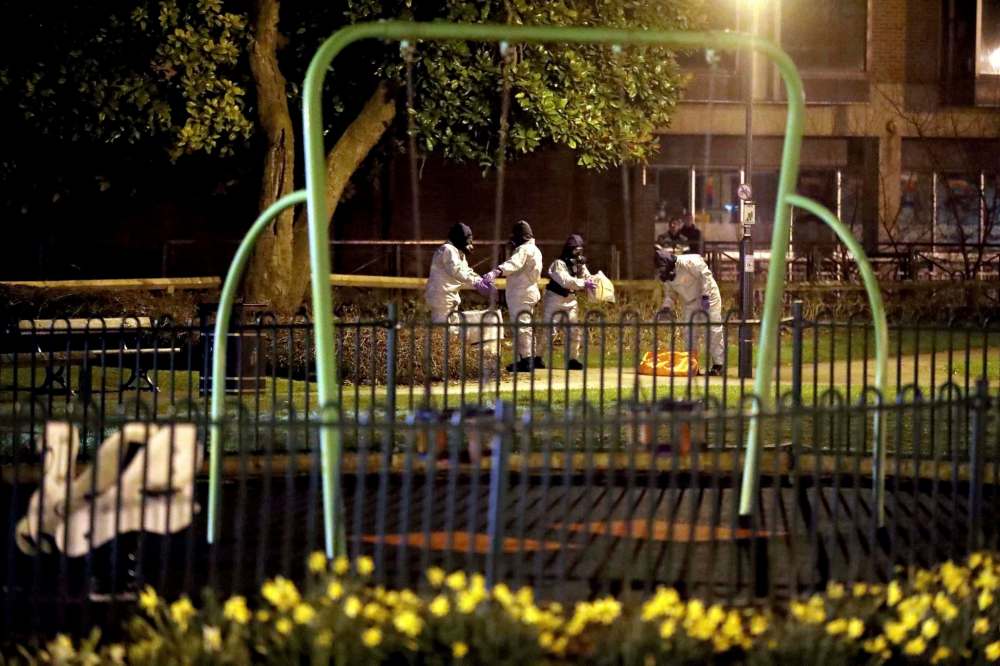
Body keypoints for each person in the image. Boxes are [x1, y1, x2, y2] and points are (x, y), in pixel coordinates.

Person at [483, 220, 544, 372]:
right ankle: (525, 358)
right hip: (529, 291)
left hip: (521, 292)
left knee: (522, 326)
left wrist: (497, 271)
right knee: (526, 325)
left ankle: (526, 360)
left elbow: (514, 263)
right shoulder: (535, 250)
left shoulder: (523, 249)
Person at [655, 247, 725, 376]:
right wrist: (666, 307)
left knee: (713, 329)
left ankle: (719, 365)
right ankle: (692, 365)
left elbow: (706, 276)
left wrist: (705, 295)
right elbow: (670, 294)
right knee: (689, 331)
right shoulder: (666, 276)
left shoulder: (690, 261)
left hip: (709, 297)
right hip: (690, 301)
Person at [543, 234, 596, 369]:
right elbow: (566, 281)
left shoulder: (579, 265)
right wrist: (584, 283)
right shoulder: (558, 264)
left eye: (580, 250)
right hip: (555, 298)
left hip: (571, 300)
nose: (578, 254)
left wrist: (594, 281)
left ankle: (572, 358)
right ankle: (537, 357)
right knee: (549, 331)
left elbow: (587, 276)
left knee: (574, 331)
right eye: (575, 250)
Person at [425, 223, 492, 328]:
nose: (471, 245)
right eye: (468, 241)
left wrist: (480, 280)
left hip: (450, 296)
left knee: (452, 330)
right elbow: (457, 271)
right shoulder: (447, 249)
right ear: (461, 239)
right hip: (441, 297)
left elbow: (466, 270)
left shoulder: (458, 252)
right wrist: (477, 282)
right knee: (442, 331)